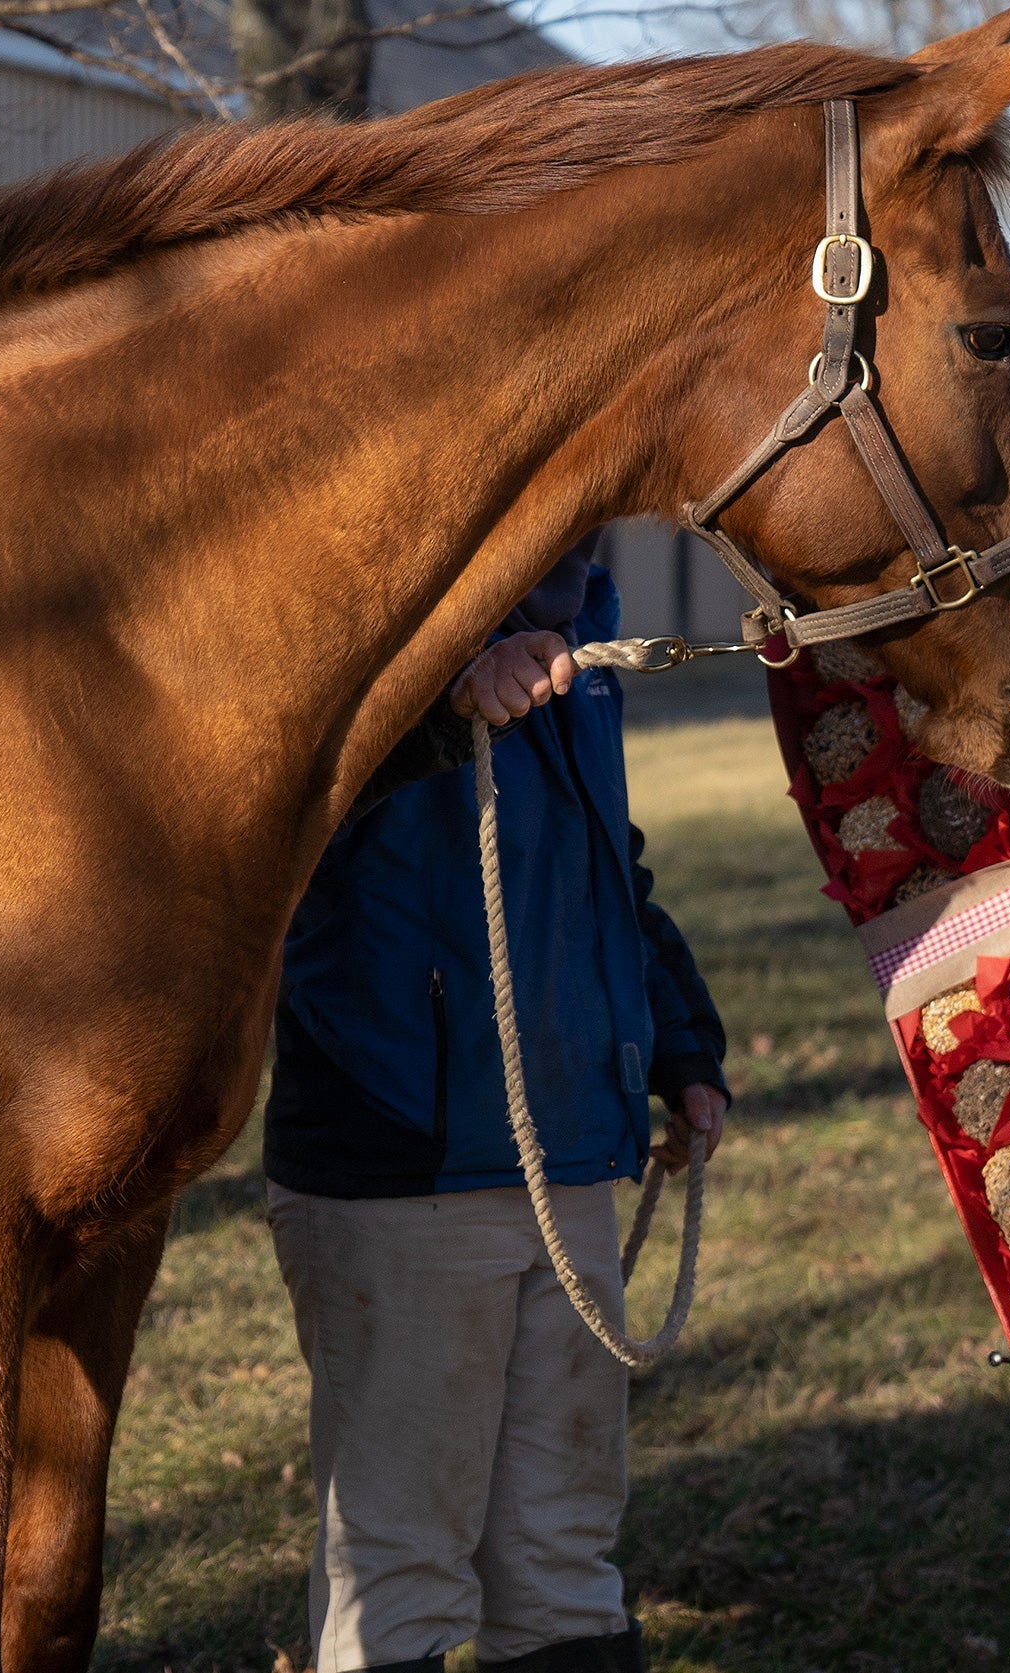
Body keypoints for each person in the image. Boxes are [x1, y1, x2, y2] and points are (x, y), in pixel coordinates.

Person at [266, 534, 732, 1673]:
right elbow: (263, 792)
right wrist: (432, 693)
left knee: (564, 1553)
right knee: (401, 1567)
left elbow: (600, 857)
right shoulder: (334, 578)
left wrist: (679, 1042)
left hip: (573, 1141)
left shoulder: (590, 604)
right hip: (405, 1155)